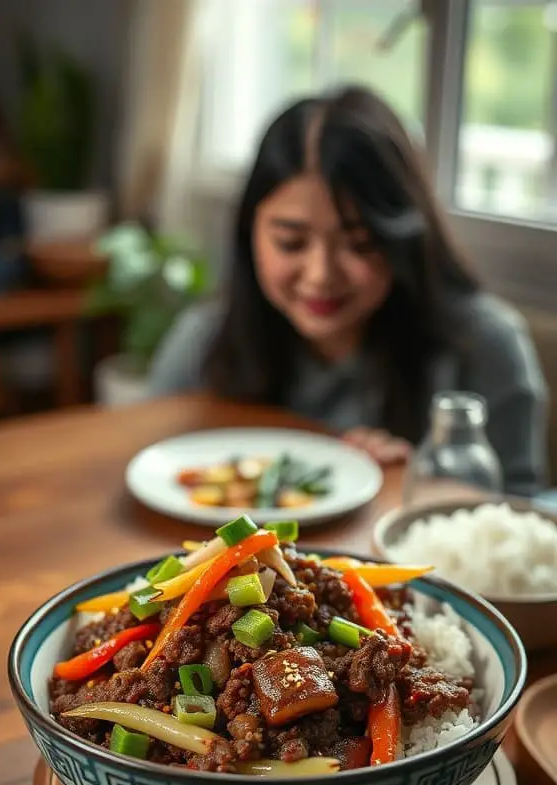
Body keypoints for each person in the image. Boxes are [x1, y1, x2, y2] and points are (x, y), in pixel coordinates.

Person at [148, 86, 548, 495]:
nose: (321, 275)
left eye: (360, 244)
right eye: (291, 243)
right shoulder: (205, 340)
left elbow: (519, 518)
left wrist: (422, 491)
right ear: (249, 232)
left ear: (403, 237)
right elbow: (143, 461)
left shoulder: (483, 344)